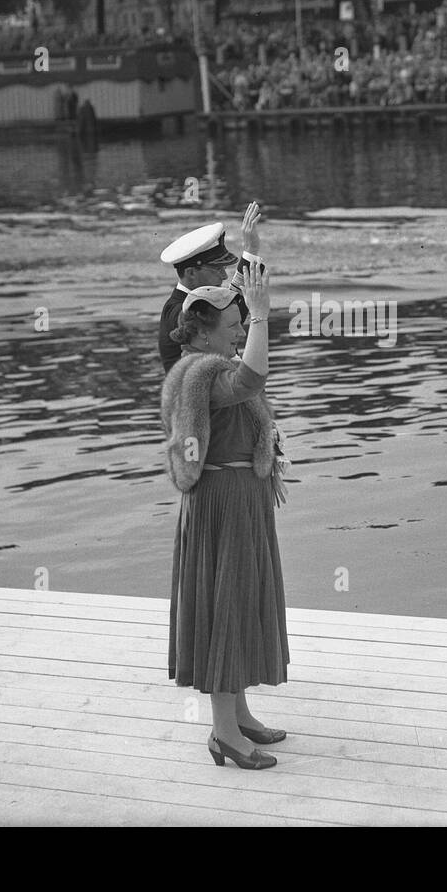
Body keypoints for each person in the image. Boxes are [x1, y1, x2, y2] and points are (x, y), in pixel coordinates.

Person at [161, 264, 290, 770]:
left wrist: (250, 257)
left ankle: (238, 717)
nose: (241, 330)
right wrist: (260, 314)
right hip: (224, 502)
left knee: (241, 596)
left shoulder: (210, 362)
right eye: (233, 324)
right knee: (227, 604)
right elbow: (253, 375)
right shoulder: (203, 375)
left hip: (239, 497)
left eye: (244, 323)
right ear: (205, 331)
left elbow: (243, 360)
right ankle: (223, 736)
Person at [158, 203, 263, 373]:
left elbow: (229, 306)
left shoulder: (196, 303)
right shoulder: (178, 310)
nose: (223, 276)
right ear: (191, 272)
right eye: (216, 269)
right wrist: (250, 252)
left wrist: (252, 250)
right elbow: (228, 313)